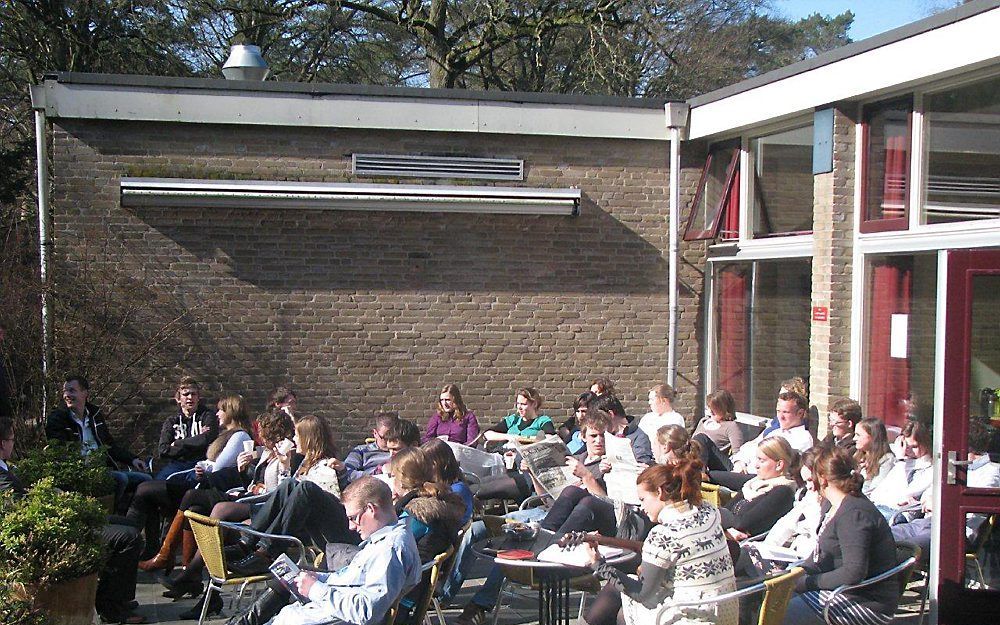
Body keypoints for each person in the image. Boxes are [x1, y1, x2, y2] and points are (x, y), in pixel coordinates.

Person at [1, 418, 147, 625]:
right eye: (12, 439)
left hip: (63, 518)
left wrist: (53, 493)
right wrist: (54, 500)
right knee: (128, 538)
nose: (13, 444)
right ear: (2, 443)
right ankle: (111, 609)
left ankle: (118, 596)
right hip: (54, 531)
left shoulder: (5, 466)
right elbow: (18, 505)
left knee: (129, 525)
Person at [229, 476, 422, 625]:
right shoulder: (385, 539)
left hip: (323, 618)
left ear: (371, 509)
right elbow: (354, 581)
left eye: (353, 518)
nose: (351, 527)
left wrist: (315, 589)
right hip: (315, 613)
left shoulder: (390, 549)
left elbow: (366, 611)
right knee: (289, 578)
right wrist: (318, 579)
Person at [160, 409, 300, 600]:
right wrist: (244, 471)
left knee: (216, 509)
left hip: (263, 507)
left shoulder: (288, 455)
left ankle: (188, 573)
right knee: (197, 509)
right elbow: (257, 482)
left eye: (263, 432)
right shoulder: (267, 453)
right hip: (252, 499)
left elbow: (283, 494)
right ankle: (198, 586)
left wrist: (278, 471)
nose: (259, 436)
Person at [578, 461, 738, 625]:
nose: (641, 506)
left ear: (660, 492)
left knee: (617, 594)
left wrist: (599, 565)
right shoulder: (707, 511)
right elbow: (730, 518)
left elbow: (641, 593)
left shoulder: (664, 534)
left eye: (643, 499)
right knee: (622, 597)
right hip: (725, 612)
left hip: (693, 616)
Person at [224, 415, 355, 580]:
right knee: (290, 485)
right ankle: (247, 543)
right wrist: (285, 467)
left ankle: (267, 552)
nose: (293, 439)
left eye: (297, 435)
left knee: (305, 487)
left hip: (332, 532)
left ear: (307, 439)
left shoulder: (329, 464)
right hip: (304, 523)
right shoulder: (306, 464)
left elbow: (341, 500)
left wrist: (342, 474)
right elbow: (289, 495)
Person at [133, 393, 254, 572]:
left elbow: (219, 467)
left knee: (146, 489)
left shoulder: (239, 436)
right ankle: (183, 568)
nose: (217, 414)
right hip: (202, 486)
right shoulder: (226, 436)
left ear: (231, 412)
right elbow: (166, 450)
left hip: (214, 490)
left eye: (221, 410)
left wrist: (200, 463)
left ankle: (159, 552)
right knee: (151, 492)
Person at [782, 447, 900, 625]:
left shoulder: (854, 514)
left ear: (822, 478)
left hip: (866, 604)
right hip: (847, 593)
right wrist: (795, 574)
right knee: (771, 598)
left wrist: (807, 583)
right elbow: (821, 556)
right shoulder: (836, 507)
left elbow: (853, 572)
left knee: (778, 613)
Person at [892, 417, 1000, 554]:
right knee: (882, 537)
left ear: (963, 446)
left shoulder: (992, 472)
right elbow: (930, 491)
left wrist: (938, 503)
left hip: (954, 531)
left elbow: (974, 505)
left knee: (904, 549)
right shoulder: (955, 465)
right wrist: (929, 497)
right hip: (928, 522)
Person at [45, 374, 149, 510]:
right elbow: (61, 451)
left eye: (72, 391)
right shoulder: (57, 419)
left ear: (85, 393)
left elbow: (109, 445)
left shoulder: (94, 415)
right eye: (65, 391)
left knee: (146, 481)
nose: (67, 395)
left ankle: (133, 521)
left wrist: (133, 460)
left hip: (102, 470)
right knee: (121, 479)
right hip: (82, 473)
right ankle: (110, 517)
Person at [735, 448, 822, 578]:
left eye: (811, 480)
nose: (809, 486)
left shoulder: (784, 491)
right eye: (806, 481)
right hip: (790, 555)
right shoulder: (808, 495)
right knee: (742, 554)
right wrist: (767, 549)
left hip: (804, 564)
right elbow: (785, 524)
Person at [711, 391, 813, 490]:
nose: (780, 417)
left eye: (786, 412)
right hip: (740, 468)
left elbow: (786, 469)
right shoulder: (775, 432)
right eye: (778, 411)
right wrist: (739, 462)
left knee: (708, 476)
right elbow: (748, 448)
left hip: (757, 478)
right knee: (702, 440)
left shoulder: (802, 439)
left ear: (800, 413)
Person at [721, 437, 800, 541]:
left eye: (761, 461)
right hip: (727, 538)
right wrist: (726, 530)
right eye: (757, 459)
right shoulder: (754, 485)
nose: (756, 465)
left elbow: (744, 523)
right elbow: (725, 510)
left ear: (779, 465)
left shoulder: (782, 492)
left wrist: (722, 524)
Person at [155, 376, 218, 480]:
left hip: (199, 463)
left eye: (193, 394)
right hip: (177, 464)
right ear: (178, 399)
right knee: (157, 484)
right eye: (186, 394)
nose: (190, 397)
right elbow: (163, 450)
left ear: (198, 398)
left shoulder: (207, 416)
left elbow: (207, 438)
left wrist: (178, 443)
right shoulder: (172, 421)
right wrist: (195, 443)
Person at [870, 419, 933, 522]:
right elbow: (876, 495)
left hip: (897, 514)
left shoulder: (929, 470)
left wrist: (900, 461)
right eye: (905, 445)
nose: (908, 450)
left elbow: (903, 495)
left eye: (914, 447)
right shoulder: (904, 463)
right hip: (880, 507)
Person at [589, 394, 655, 466]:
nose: (599, 424)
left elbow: (643, 467)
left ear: (610, 414)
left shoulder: (639, 437)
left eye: (600, 419)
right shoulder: (605, 435)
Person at [420, 438, 474, 524]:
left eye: (425, 464)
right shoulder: (434, 487)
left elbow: (450, 522)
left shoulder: (457, 490)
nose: (423, 469)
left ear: (436, 465)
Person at [483, 387, 555, 445]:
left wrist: (522, 439)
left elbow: (551, 439)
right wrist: (510, 437)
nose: (519, 407)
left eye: (523, 404)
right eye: (518, 404)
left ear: (534, 404)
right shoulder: (513, 420)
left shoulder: (542, 421)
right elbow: (487, 434)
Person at [342, 413, 397, 485]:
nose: (390, 441)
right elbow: (347, 472)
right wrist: (378, 476)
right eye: (385, 438)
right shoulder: (361, 451)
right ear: (375, 433)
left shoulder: (403, 450)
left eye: (393, 437)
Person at [693, 389, 745, 459]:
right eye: (710, 407)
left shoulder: (731, 426)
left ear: (724, 409)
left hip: (712, 462)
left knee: (702, 438)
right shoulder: (704, 420)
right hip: (693, 457)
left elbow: (738, 454)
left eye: (714, 409)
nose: (711, 411)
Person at [853, 417, 896, 498]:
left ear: (873, 437)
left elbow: (873, 490)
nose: (854, 438)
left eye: (858, 435)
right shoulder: (858, 456)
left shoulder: (887, 460)